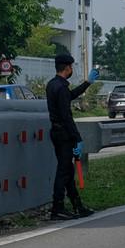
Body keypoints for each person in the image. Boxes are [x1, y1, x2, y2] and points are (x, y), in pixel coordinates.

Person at [46, 53, 98, 220]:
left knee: (67, 170)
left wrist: (87, 83)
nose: (72, 69)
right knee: (63, 171)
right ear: (67, 67)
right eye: (72, 67)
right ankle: (57, 208)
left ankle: (77, 206)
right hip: (63, 134)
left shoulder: (53, 85)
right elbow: (66, 116)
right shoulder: (60, 88)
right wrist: (77, 138)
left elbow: (70, 96)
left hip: (56, 132)